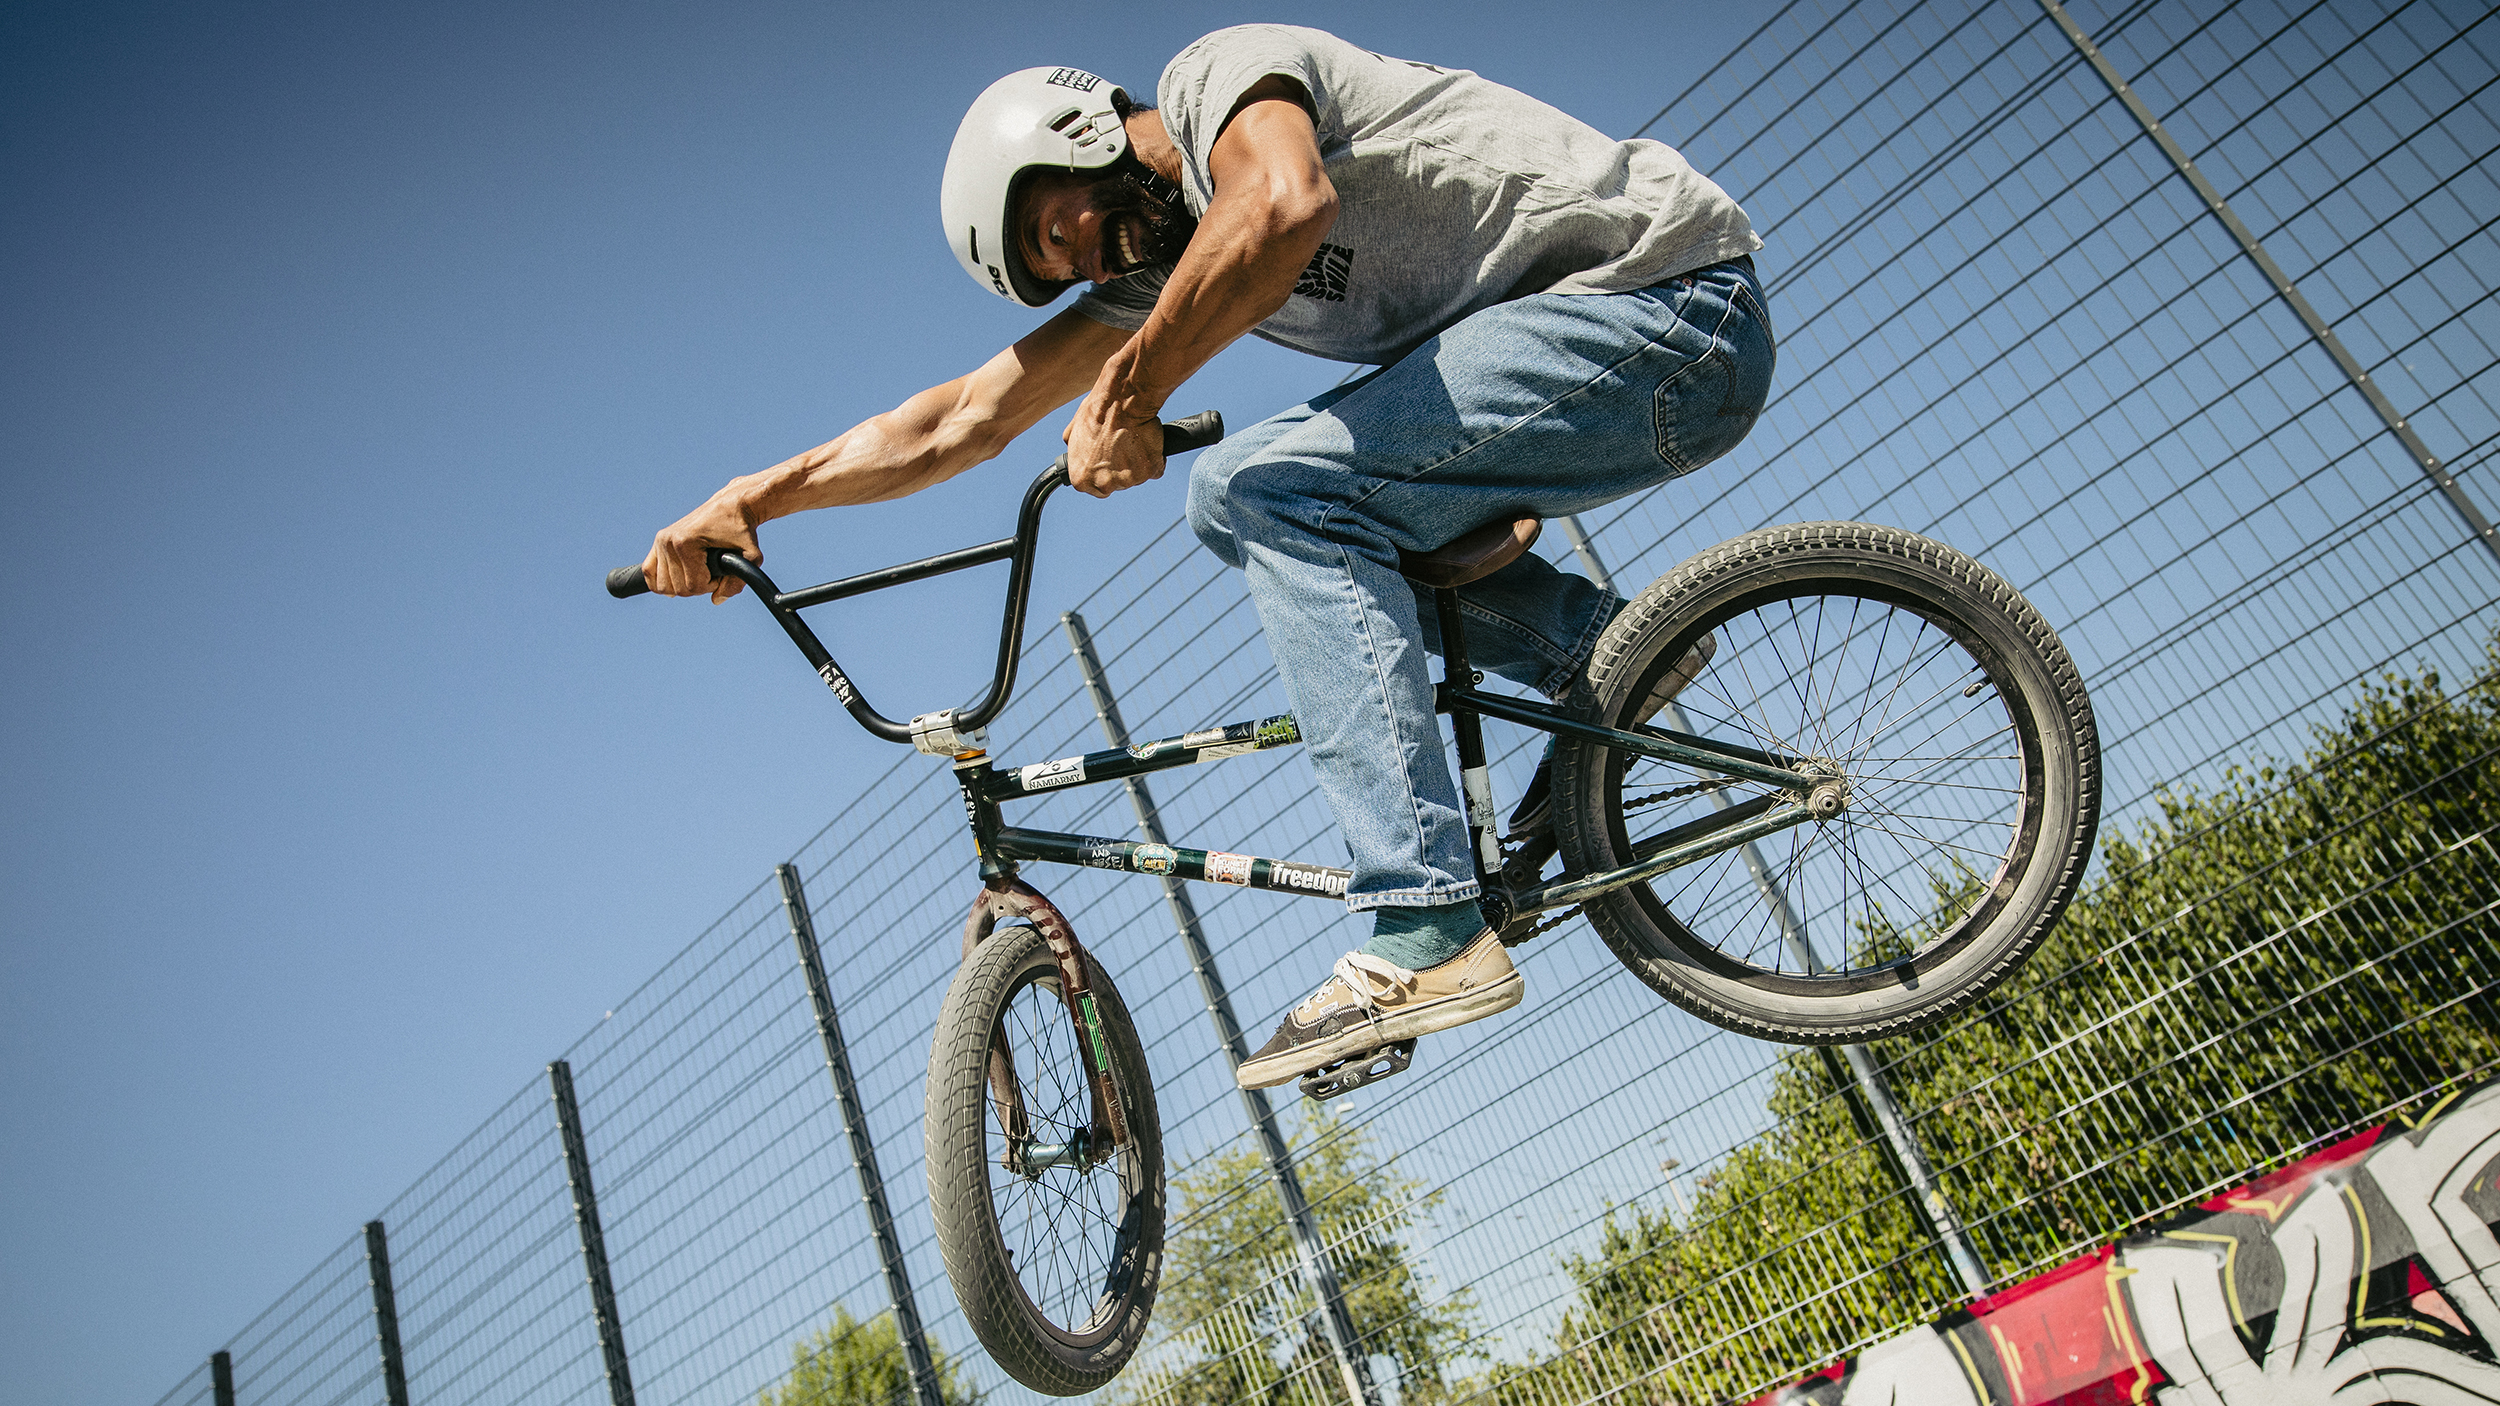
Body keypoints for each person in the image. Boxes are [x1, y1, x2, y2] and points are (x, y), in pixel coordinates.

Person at [640, 25, 1775, 1090]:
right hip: (1601, 353)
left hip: (1665, 306)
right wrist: (750, 499)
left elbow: (1280, 206)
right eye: (1057, 274)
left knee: (1257, 483)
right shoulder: (1154, 273)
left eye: (1056, 230)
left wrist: (1132, 389)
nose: (1082, 262)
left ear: (1075, 139)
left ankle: (1430, 919)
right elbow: (956, 423)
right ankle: (1603, 653)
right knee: (1243, 507)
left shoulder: (1217, 83)